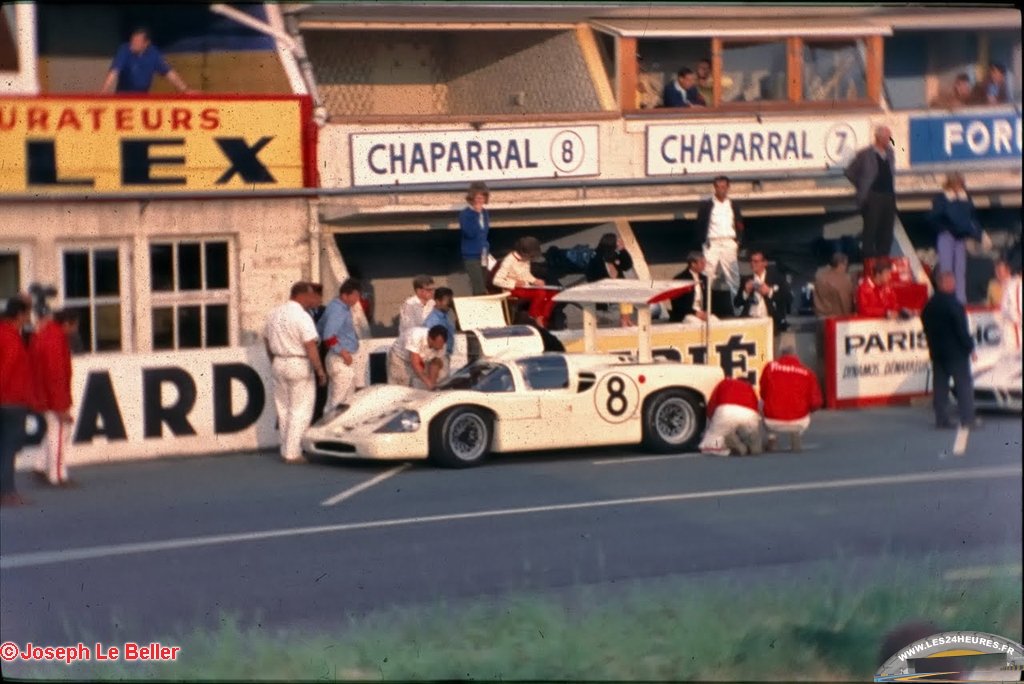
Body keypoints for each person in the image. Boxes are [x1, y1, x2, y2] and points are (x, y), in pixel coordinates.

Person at [263, 282, 327, 464]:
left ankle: (285, 448)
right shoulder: (302, 316)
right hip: (298, 362)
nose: (313, 298)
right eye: (311, 295)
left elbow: (266, 340)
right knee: (301, 409)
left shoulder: (274, 313)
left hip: (279, 361)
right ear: (303, 294)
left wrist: (273, 360)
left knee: (283, 408)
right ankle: (293, 452)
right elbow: (310, 346)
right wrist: (320, 370)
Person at [921, 273, 976, 450]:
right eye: (952, 281)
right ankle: (967, 418)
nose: (954, 284)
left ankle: (941, 419)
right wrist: (970, 347)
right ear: (945, 284)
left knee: (940, 386)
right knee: (963, 385)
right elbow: (961, 329)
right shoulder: (954, 305)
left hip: (937, 351)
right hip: (955, 352)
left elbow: (925, 324)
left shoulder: (929, 305)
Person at [28, 309, 79, 487]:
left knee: (55, 430)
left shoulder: (45, 333)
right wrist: (61, 407)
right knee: (60, 430)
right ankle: (57, 475)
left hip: (41, 393)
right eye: (74, 325)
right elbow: (55, 375)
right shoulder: (55, 340)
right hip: (50, 397)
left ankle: (41, 464)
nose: (75, 330)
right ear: (66, 324)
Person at [1, 297, 40, 507]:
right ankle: (7, 492)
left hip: (8, 399)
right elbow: (7, 370)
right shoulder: (11, 338)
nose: (28, 318)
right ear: (19, 315)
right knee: (9, 447)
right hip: (11, 400)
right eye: (26, 314)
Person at [845, 125, 897, 259]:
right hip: (873, 196)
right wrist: (862, 185)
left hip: (888, 195)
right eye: (886, 137)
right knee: (870, 231)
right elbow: (850, 172)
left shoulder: (890, 153)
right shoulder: (865, 154)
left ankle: (883, 262)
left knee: (887, 232)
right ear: (878, 138)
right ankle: (868, 262)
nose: (888, 140)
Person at [928, 173, 981, 305]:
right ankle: (946, 299)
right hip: (946, 235)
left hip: (960, 237)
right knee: (946, 270)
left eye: (960, 184)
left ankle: (960, 300)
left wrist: (978, 233)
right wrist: (943, 228)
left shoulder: (965, 198)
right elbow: (933, 217)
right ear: (950, 184)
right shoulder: (942, 198)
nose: (958, 187)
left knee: (960, 269)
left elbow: (971, 217)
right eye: (956, 184)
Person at [760, 347, 823, 453]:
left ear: (780, 355)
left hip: (772, 420)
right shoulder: (807, 372)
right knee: (805, 406)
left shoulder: (770, 367)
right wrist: (808, 409)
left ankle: (772, 438)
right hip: (800, 420)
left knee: (762, 402)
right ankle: (797, 433)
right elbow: (816, 402)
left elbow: (763, 392)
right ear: (795, 356)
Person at [696, 175, 744, 304]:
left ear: (728, 188)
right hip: (713, 242)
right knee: (706, 275)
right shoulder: (706, 205)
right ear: (714, 187)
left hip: (729, 241)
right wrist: (703, 241)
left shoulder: (733, 205)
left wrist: (738, 241)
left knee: (733, 277)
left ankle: (738, 307)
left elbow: (739, 224)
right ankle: (702, 307)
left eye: (724, 187)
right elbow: (700, 224)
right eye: (718, 187)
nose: (721, 189)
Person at [101, 27, 193, 94]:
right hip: (123, 98)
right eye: (132, 40)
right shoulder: (124, 49)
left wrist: (185, 89)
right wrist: (104, 92)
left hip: (143, 98)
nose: (133, 44)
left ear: (146, 43)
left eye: (137, 42)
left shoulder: (154, 53)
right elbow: (114, 71)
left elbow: (169, 73)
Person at [317, 279, 362, 413]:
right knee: (338, 401)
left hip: (338, 358)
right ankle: (328, 428)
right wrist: (343, 352)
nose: (357, 299)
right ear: (345, 295)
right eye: (355, 295)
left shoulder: (337, 307)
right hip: (339, 358)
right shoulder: (338, 310)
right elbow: (328, 336)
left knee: (344, 401)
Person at [492, 236, 557, 328]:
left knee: (552, 294)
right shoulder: (509, 260)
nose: (531, 257)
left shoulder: (526, 260)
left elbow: (526, 274)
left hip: (525, 287)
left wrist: (535, 281)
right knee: (540, 293)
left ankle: (542, 317)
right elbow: (497, 280)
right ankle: (532, 317)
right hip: (512, 289)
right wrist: (514, 283)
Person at [698, 377, 762, 456]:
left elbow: (712, 403)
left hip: (727, 411)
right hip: (749, 414)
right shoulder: (750, 388)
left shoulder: (725, 382)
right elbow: (757, 410)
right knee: (752, 437)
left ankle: (733, 447)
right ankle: (755, 448)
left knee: (715, 439)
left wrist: (713, 424)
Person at [585, 233, 635, 327]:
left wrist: (623, 251)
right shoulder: (597, 257)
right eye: (617, 242)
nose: (618, 244)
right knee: (624, 296)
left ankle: (626, 319)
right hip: (602, 286)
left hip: (616, 284)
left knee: (627, 294)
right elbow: (590, 274)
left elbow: (627, 266)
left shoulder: (616, 253)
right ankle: (624, 320)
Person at [734, 251, 791, 332]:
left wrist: (769, 292)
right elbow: (737, 303)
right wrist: (745, 292)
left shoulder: (777, 278)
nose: (752, 264)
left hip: (769, 322)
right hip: (750, 321)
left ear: (765, 263)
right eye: (751, 261)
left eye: (756, 261)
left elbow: (788, 298)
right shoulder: (746, 280)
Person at [387, 325, 449, 390]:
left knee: (429, 383)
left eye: (443, 343)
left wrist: (432, 383)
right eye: (440, 342)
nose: (442, 346)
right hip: (400, 358)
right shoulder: (415, 335)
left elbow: (435, 362)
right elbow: (415, 363)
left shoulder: (442, 345)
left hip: (422, 358)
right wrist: (428, 382)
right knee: (400, 388)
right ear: (431, 338)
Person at [459, 182, 491, 296]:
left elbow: (484, 233)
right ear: (472, 198)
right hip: (471, 255)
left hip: (483, 254)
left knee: (483, 284)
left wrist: (486, 247)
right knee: (479, 287)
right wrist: (476, 214)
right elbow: (470, 233)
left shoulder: (485, 213)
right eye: (478, 198)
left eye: (482, 198)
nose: (480, 200)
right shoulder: (465, 214)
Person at [669, 251, 716, 325]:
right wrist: (695, 313)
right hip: (686, 314)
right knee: (696, 324)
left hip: (702, 312)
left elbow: (708, 298)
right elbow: (677, 303)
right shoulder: (680, 279)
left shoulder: (704, 278)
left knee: (715, 322)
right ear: (693, 264)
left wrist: (706, 312)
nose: (704, 265)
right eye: (702, 263)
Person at [813, 252, 855, 317]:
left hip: (820, 315)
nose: (847, 267)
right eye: (846, 264)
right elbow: (845, 302)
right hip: (837, 318)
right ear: (841, 264)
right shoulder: (843, 280)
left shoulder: (819, 275)